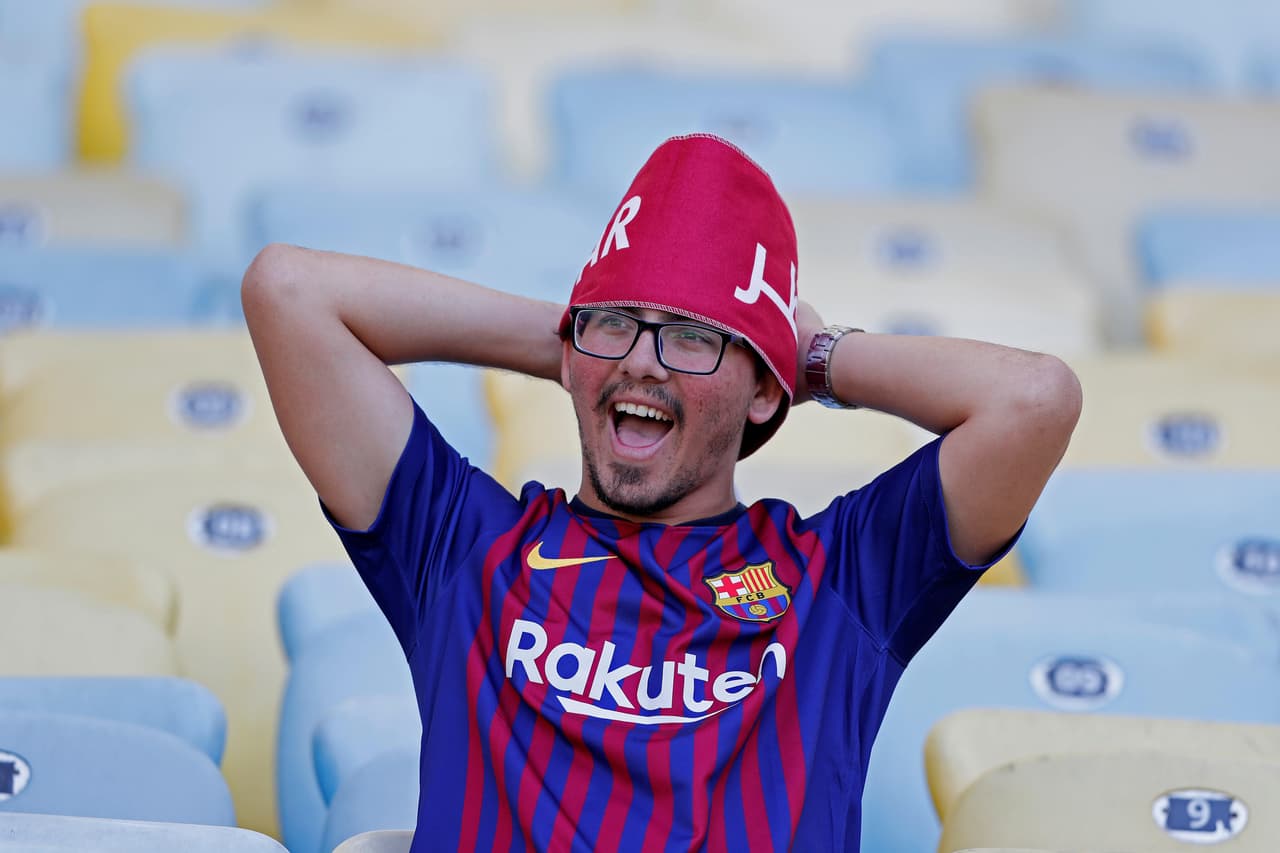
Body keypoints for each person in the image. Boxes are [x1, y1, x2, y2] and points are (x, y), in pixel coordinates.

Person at [243, 134, 1082, 851]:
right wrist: (578, 343)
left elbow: (1034, 400)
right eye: (619, 323)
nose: (643, 361)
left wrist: (813, 357)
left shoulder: (840, 579)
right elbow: (289, 292)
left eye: (690, 338)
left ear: (763, 389)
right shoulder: (464, 550)